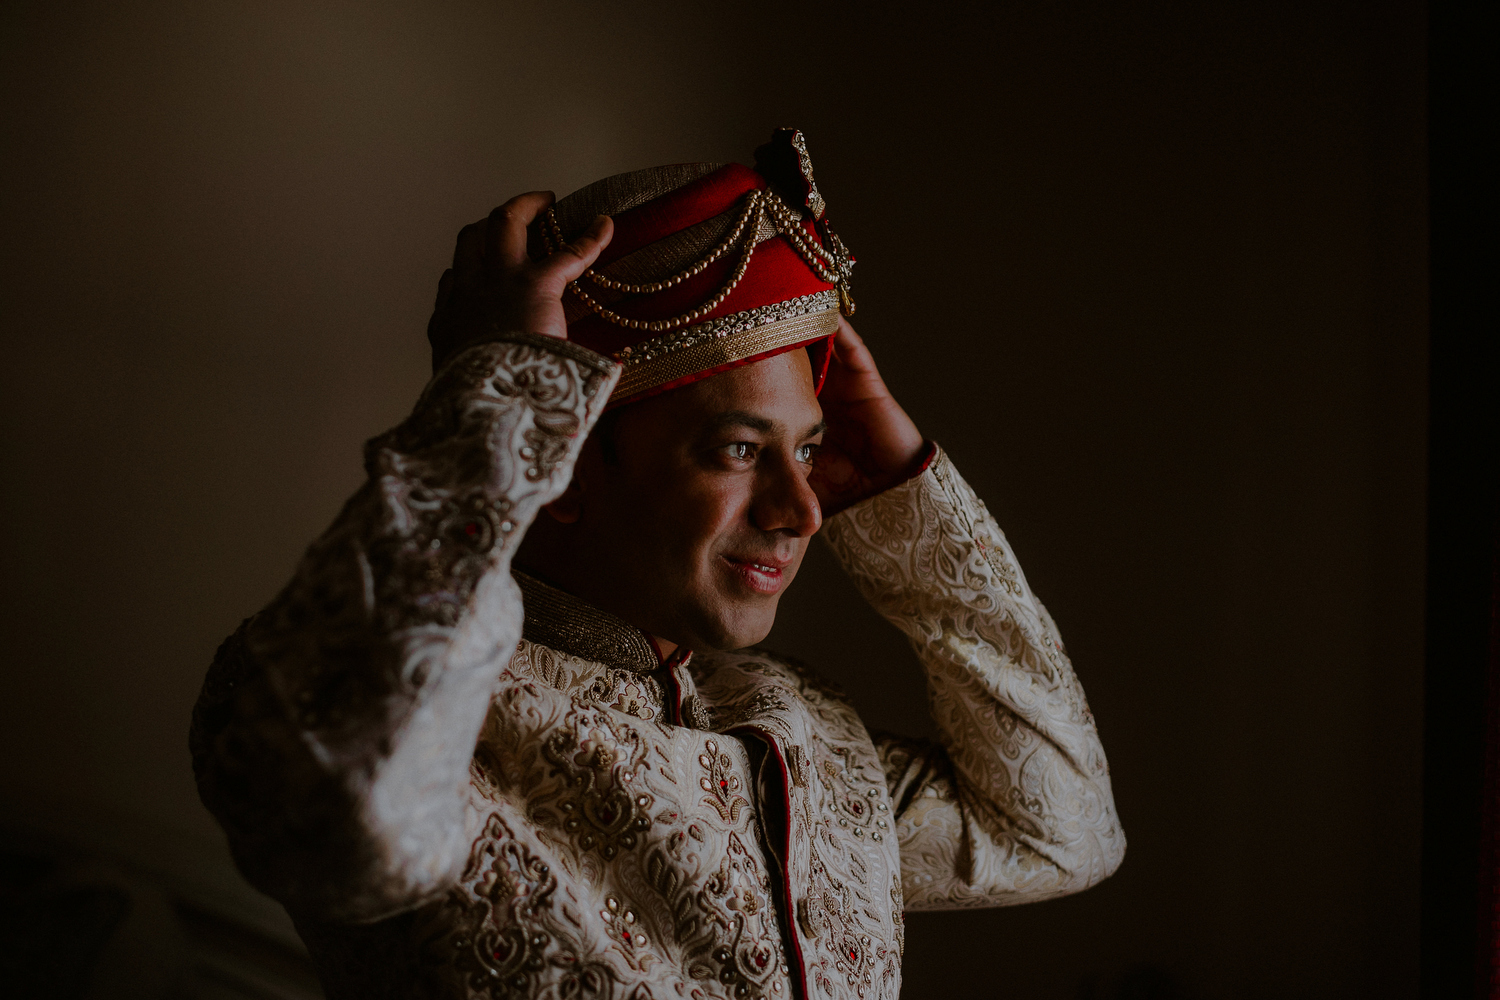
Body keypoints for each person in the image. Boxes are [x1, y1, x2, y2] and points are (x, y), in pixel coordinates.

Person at [189, 130, 1125, 1000]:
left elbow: (1060, 834)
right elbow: (335, 818)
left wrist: (904, 497)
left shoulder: (813, 742)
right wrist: (501, 405)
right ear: (561, 468)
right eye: (736, 449)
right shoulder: (359, 703)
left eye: (805, 450)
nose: (803, 511)